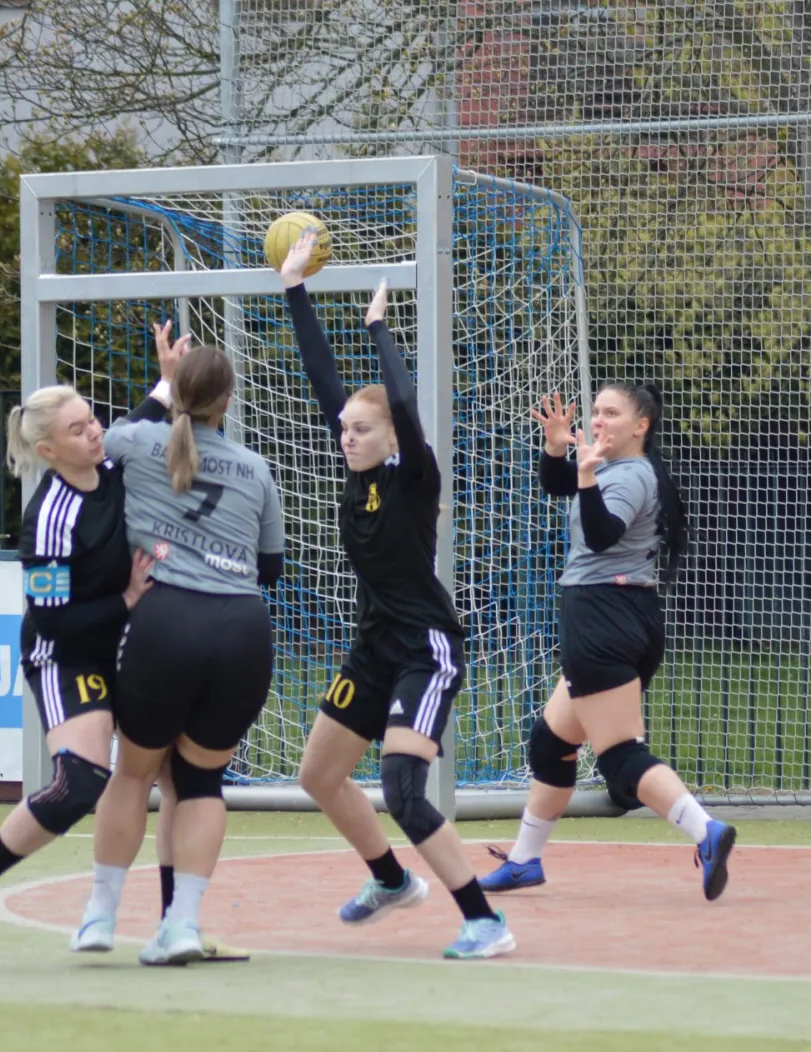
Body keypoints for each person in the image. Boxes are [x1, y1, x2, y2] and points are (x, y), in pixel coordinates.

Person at [277, 231, 513, 960]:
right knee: (319, 775)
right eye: (344, 428)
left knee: (404, 788)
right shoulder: (354, 472)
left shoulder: (414, 478)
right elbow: (321, 374)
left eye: (361, 429)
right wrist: (294, 288)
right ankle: (390, 880)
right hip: (375, 646)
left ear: (391, 438)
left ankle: (485, 922)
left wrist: (379, 329)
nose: (347, 437)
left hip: (426, 649)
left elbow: (403, 401)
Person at [478, 383, 737, 900]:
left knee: (618, 756)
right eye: (596, 411)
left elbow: (600, 535)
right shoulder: (617, 470)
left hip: (601, 618)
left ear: (641, 425)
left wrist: (585, 474)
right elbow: (560, 488)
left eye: (611, 413)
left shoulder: (630, 475)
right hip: (620, 615)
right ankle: (525, 861)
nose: (598, 420)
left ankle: (706, 830)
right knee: (551, 744)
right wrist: (556, 449)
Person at [74, 341, 285, 967]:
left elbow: (100, 445)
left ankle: (100, 914)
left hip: (167, 621)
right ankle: (183, 924)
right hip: (242, 630)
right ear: (228, 401)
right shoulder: (256, 467)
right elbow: (270, 568)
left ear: (178, 393)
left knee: (134, 774)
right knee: (199, 781)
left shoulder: (139, 441)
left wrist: (164, 386)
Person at [0, 379, 163, 938]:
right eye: (77, 430)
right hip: (66, 655)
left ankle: (162, 919)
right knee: (79, 783)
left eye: (93, 419)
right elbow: (55, 623)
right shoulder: (48, 520)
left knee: (176, 774)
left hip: (124, 643)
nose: (94, 433)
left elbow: (143, 416)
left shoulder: (112, 464)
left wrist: (168, 378)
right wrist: (127, 600)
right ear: (48, 451)